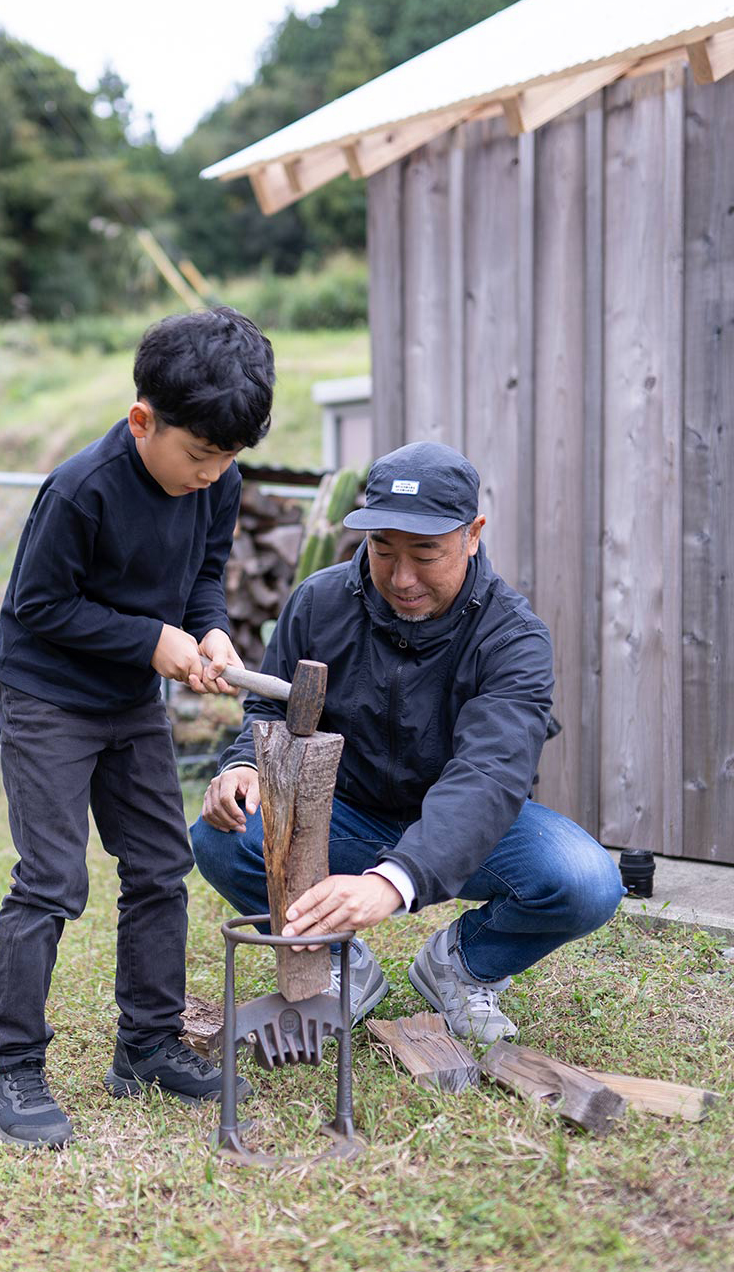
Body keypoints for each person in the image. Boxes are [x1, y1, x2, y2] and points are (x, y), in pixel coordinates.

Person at [193, 441, 624, 1044]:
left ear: (472, 535)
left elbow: (488, 776)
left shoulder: (513, 638)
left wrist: (393, 882)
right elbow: (272, 702)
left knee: (586, 880)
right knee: (221, 836)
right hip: (346, 815)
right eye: (382, 550)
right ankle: (344, 963)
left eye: (426, 553)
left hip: (470, 824)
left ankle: (461, 966)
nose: (401, 578)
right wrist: (245, 766)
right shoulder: (320, 601)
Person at [0, 307, 274, 1148]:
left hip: (129, 700)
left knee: (158, 863)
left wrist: (208, 628)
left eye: (226, 460)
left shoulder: (216, 482)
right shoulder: (82, 487)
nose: (212, 474)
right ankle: (11, 1065)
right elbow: (38, 606)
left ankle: (145, 1045)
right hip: (47, 695)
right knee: (50, 878)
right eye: (198, 455)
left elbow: (202, 579)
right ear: (143, 419)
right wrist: (152, 640)